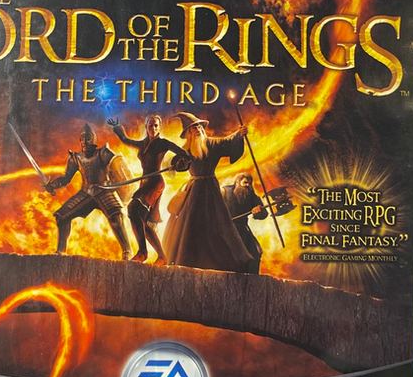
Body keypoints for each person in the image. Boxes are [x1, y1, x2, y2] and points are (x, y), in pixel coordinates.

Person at [162, 112, 255, 274]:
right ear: (188, 132)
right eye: (193, 127)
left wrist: (238, 135)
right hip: (193, 192)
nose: (198, 129)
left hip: (210, 191)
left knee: (217, 223)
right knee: (189, 225)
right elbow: (176, 164)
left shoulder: (211, 144)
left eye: (199, 126)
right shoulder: (184, 150)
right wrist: (176, 164)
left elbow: (227, 142)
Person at [108, 114, 189, 264]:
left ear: (159, 127)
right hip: (144, 183)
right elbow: (126, 140)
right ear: (146, 127)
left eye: (156, 125)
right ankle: (162, 257)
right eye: (150, 125)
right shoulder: (143, 144)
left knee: (133, 208)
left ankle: (142, 252)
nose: (153, 128)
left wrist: (179, 163)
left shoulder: (163, 143)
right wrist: (117, 128)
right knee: (143, 220)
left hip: (155, 183)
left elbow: (184, 155)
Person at [45, 122, 131, 259]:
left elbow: (118, 171)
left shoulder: (103, 153)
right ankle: (61, 251)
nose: (85, 141)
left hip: (104, 190)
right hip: (86, 192)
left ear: (93, 139)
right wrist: (53, 185)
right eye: (83, 138)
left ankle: (127, 251)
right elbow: (66, 178)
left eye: (88, 138)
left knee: (116, 215)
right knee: (61, 216)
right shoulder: (75, 158)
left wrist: (115, 186)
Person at [222, 172, 268, 275]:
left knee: (255, 253)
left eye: (250, 184)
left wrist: (259, 211)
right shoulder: (225, 192)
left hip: (242, 229)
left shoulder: (251, 195)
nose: (247, 185)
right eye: (245, 183)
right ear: (237, 182)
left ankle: (251, 280)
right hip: (225, 229)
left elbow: (264, 213)